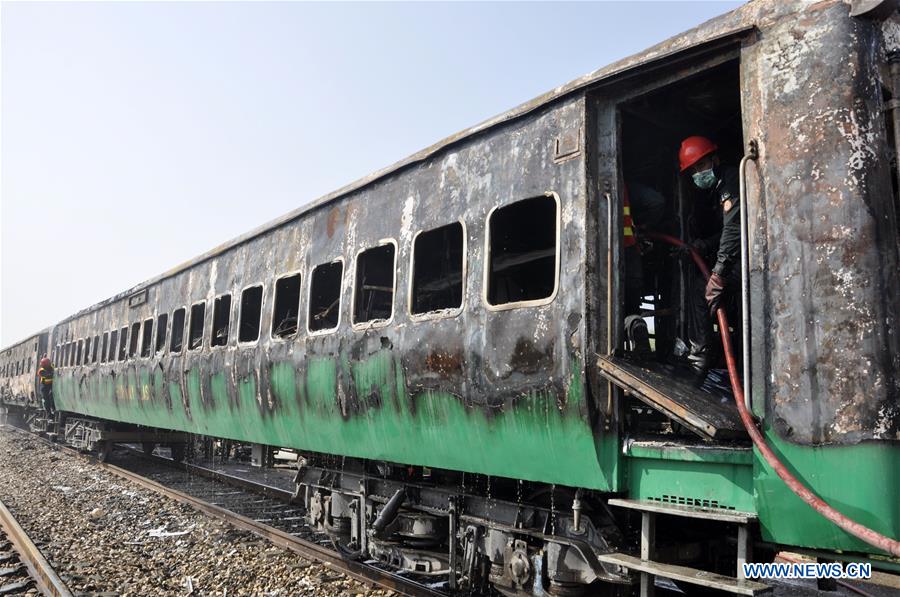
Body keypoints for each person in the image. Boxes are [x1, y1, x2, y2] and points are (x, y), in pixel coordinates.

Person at [677, 136, 741, 372]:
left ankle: (701, 355)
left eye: (701, 166)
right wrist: (703, 244)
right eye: (694, 170)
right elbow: (727, 230)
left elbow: (735, 229)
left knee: (699, 287)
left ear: (715, 159)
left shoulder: (731, 180)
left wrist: (718, 274)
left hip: (747, 262)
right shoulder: (717, 189)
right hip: (736, 258)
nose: (698, 173)